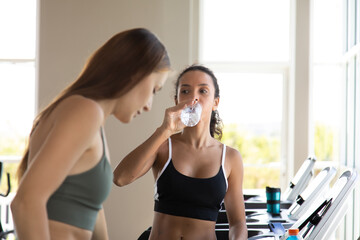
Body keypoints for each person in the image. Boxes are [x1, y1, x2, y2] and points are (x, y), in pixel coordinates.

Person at [11, 28, 171, 240]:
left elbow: (93, 210)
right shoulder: (85, 111)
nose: (150, 105)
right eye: (154, 89)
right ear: (135, 74)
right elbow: (26, 202)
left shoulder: (93, 120)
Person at [114, 65, 248, 239]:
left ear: (215, 102)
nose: (193, 97)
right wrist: (164, 130)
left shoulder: (230, 158)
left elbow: (238, 224)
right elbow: (120, 178)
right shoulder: (163, 146)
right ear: (177, 100)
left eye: (203, 91)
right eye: (185, 91)